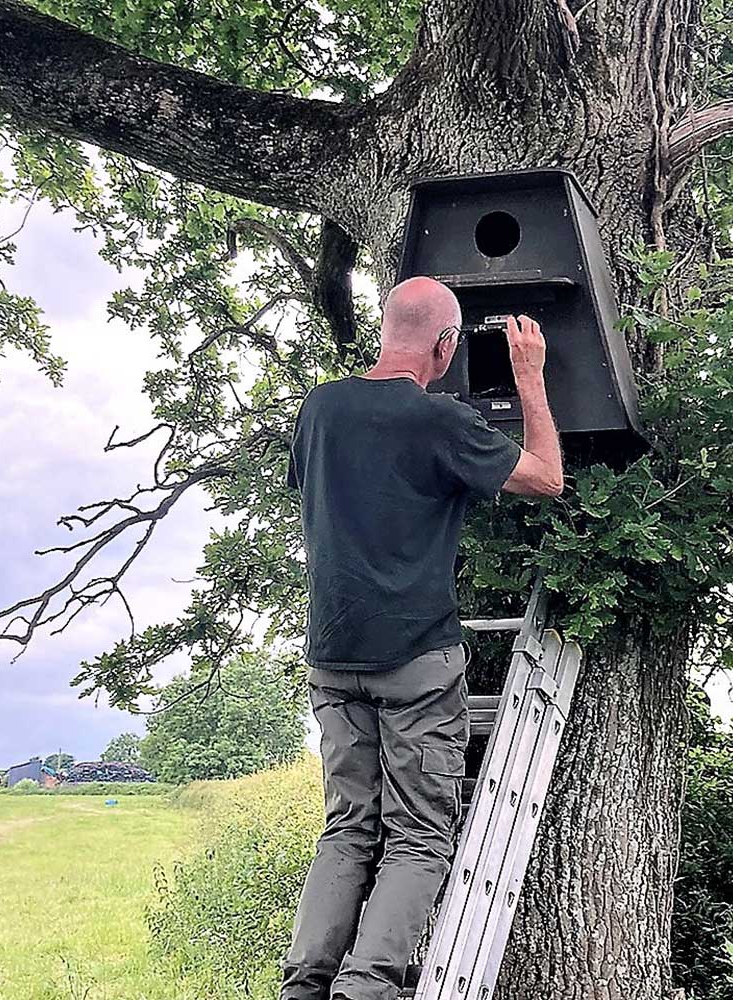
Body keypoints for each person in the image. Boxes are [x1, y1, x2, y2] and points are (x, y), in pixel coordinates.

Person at [280, 274, 564, 1000]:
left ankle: (305, 986)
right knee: (418, 837)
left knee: (348, 828)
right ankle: (366, 989)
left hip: (331, 658)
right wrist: (530, 378)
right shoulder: (437, 420)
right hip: (415, 661)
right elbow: (547, 479)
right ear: (444, 346)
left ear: (384, 330)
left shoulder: (320, 408)